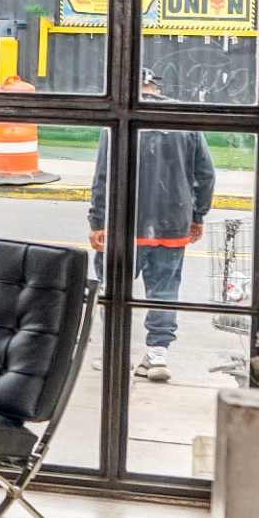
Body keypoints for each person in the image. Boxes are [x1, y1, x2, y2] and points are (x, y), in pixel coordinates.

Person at [90, 88, 217, 382]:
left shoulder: (118, 119)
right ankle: (157, 354)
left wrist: (98, 220)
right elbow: (206, 174)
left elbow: (103, 175)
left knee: (114, 288)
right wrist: (197, 215)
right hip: (173, 224)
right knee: (164, 290)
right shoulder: (184, 121)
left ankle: (115, 351)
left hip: (124, 223)